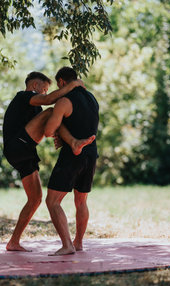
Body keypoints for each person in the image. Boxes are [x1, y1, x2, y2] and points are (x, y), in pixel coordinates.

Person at [3, 71, 95, 252]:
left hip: (26, 152)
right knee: (52, 110)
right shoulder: (24, 96)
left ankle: (13, 242)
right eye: (44, 89)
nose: (45, 93)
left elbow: (45, 128)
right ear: (35, 86)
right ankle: (73, 142)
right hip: (17, 145)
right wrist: (73, 85)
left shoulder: (35, 109)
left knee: (35, 199)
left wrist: (58, 134)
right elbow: (49, 101)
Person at [43, 67, 99, 256]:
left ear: (60, 82)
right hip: (91, 153)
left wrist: (58, 127)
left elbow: (49, 131)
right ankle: (79, 242)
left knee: (52, 201)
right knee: (81, 201)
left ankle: (67, 245)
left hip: (72, 156)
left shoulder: (64, 101)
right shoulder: (92, 98)